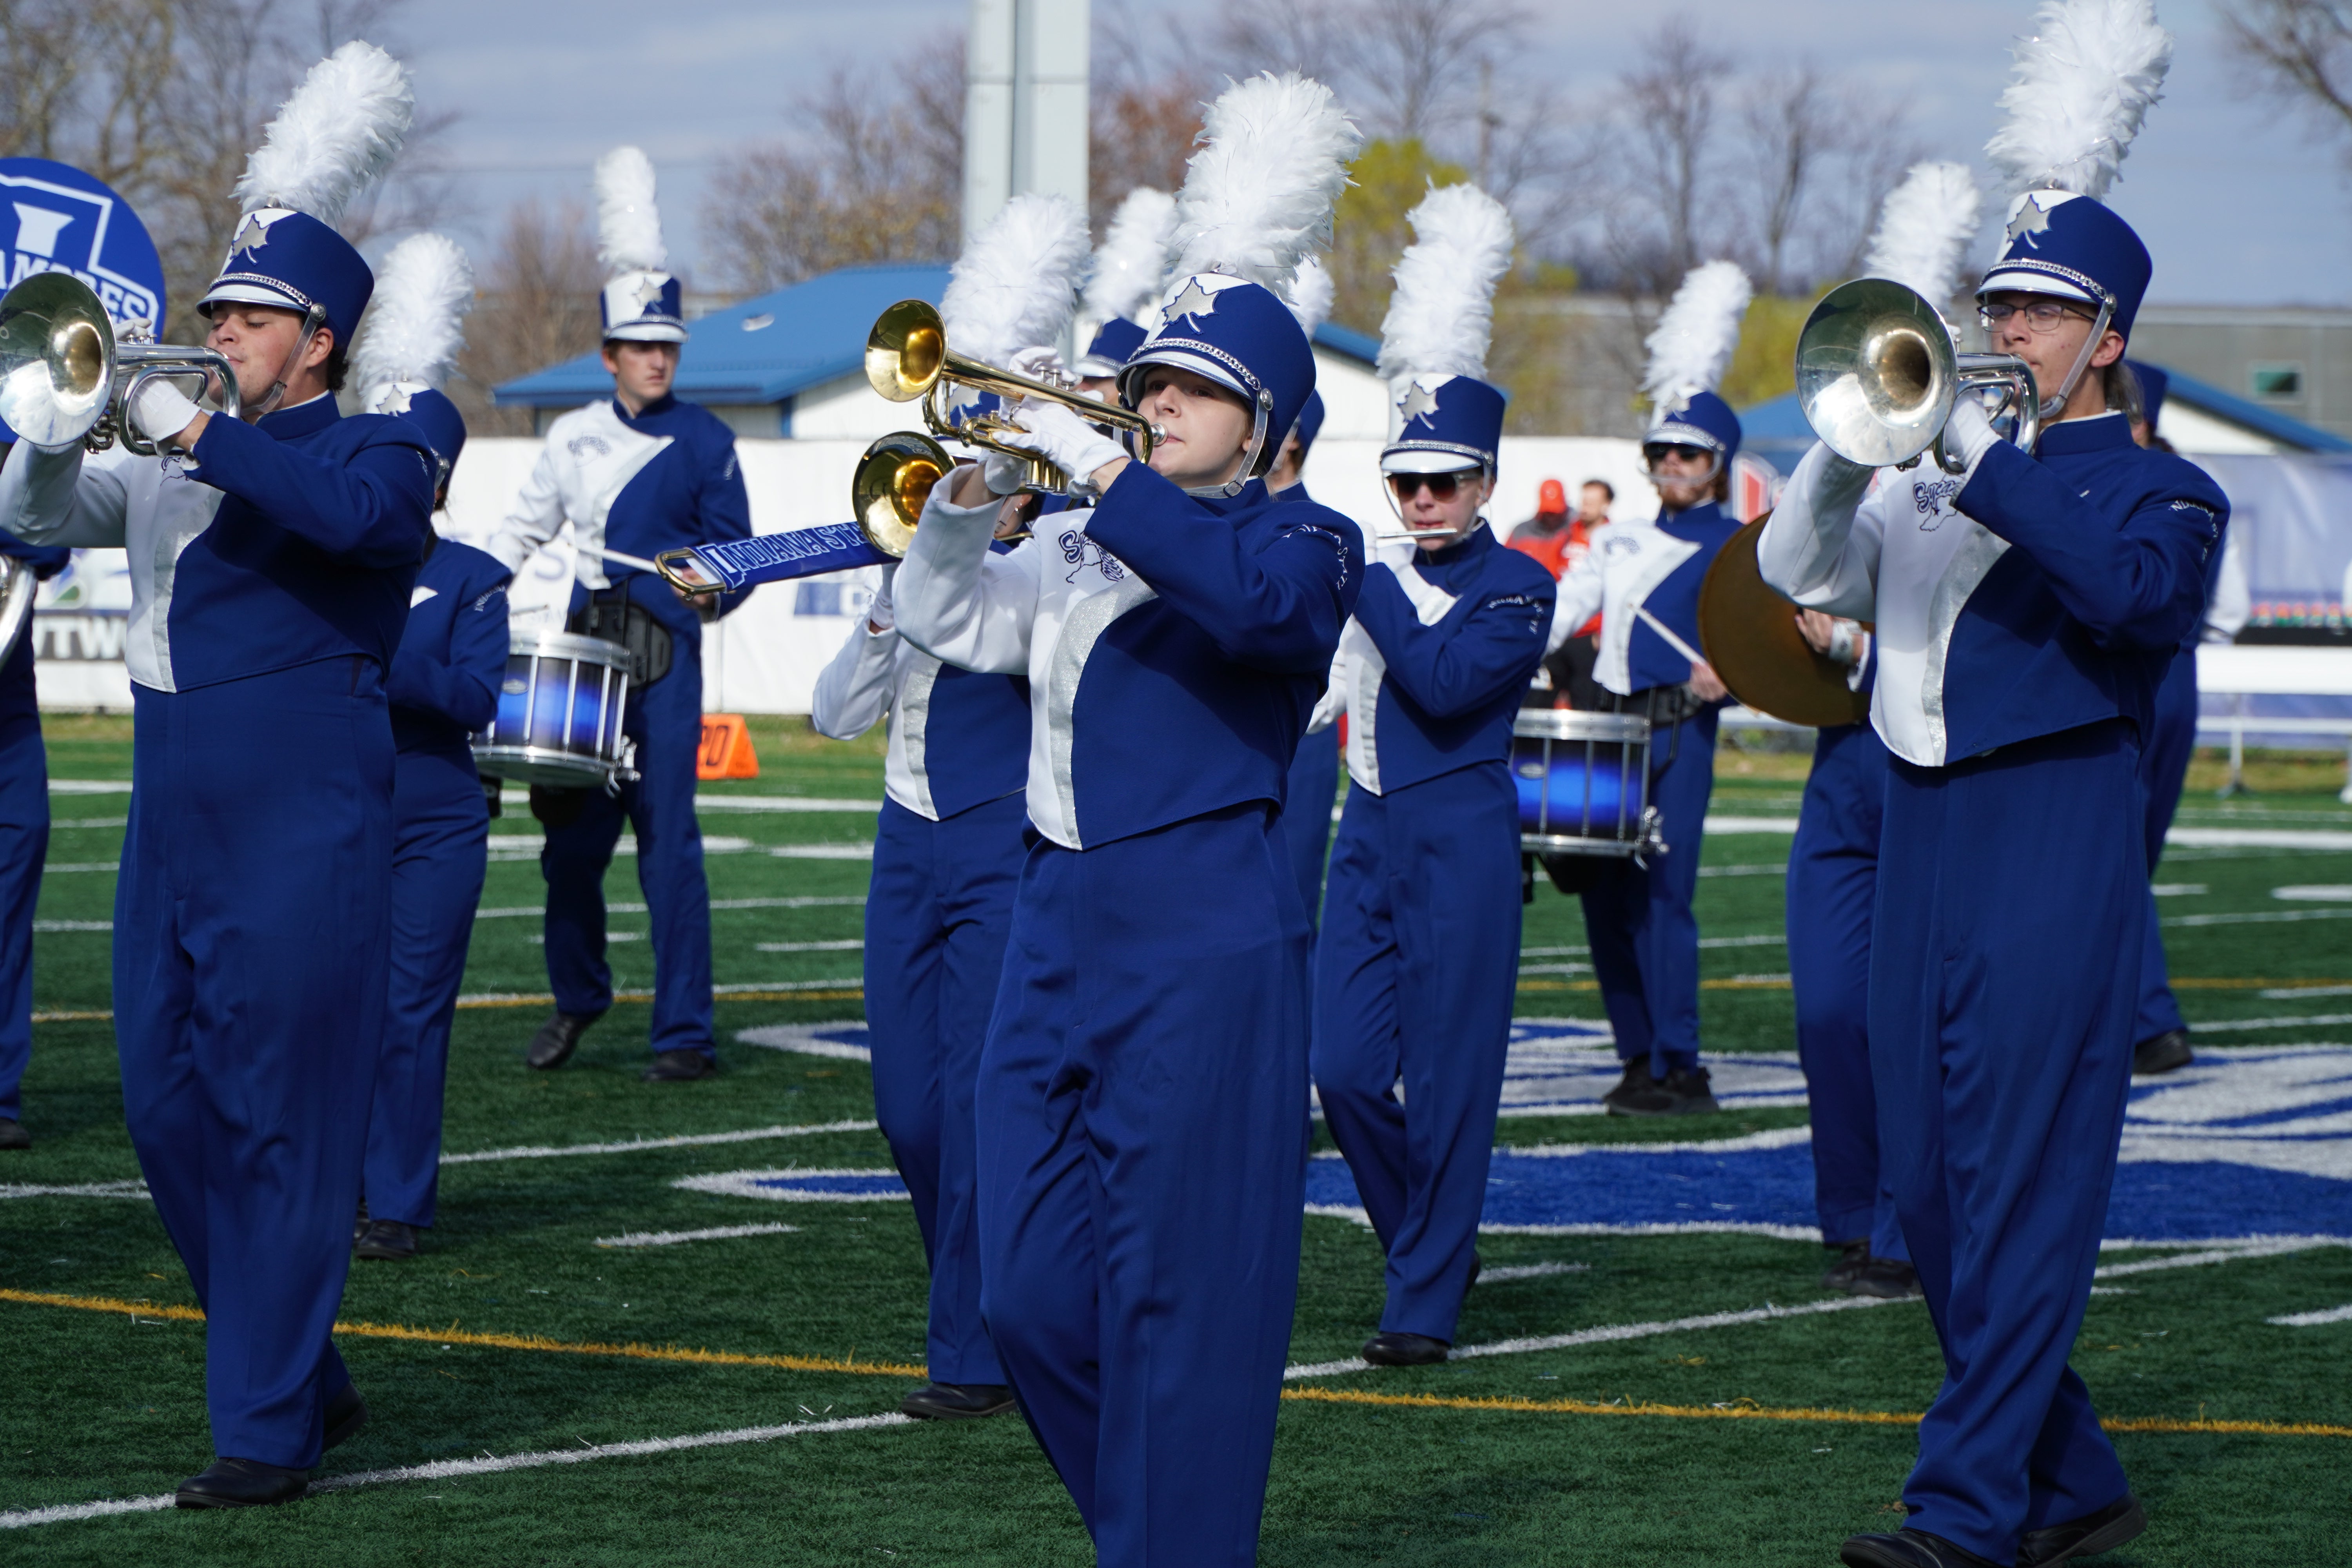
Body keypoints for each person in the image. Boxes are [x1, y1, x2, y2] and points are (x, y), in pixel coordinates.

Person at [1762, 13, 2226, 1558]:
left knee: (2020, 1177)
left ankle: (1966, 1512)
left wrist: (1984, 456)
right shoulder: (1928, 463)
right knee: (1933, 1189)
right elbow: (1798, 573)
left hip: (2052, 828)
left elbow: (2135, 604)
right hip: (1919, 823)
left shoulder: (2167, 483)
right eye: (1999, 301)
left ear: (2109, 333)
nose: (2007, 326)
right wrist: (1846, 445)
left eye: (2041, 310)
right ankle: (2072, 1474)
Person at [890, 70, 1362, 1567]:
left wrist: (1103, 467)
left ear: (1266, 424)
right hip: (1056, 914)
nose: (1153, 404)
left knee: (1187, 1296)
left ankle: (1173, 1541)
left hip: (1202, 926)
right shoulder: (1094, 539)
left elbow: (1252, 610)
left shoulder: (1306, 538)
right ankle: (1152, 1531)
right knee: (1027, 1290)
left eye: (1191, 390)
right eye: (1146, 383)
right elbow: (946, 617)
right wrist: (968, 502)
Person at [0, 43, 432, 1506]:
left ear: (318, 340)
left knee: (281, 1113)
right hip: (173, 807)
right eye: (219, 312)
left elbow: (348, 519)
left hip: (303, 816)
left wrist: (197, 425)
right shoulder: (173, 455)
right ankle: (297, 1359)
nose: (220, 330)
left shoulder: (383, 444)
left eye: (249, 316)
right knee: (162, 1103)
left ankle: (266, 1427)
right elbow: (35, 511)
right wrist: (57, 427)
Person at [801, 192, 1093, 1425]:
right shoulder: (930, 555)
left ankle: (972, 1350)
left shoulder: (1056, 566)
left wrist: (990, 532)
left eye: (998, 449)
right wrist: (897, 588)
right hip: (903, 836)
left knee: (979, 1097)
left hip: (996, 838)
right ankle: (986, 1299)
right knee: (907, 1107)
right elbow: (829, 716)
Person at [1309, 183, 1548, 1368]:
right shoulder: (1382, 575)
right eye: (1406, 482)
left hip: (1460, 838)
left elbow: (1447, 684)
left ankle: (1425, 1297)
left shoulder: (1520, 586)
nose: (1420, 502)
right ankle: (1426, 1243)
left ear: (1485, 483)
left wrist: (1369, 583)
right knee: (1343, 1069)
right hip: (1368, 830)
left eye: (1444, 483)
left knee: (1452, 1086)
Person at [490, 147, 753, 1083]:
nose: (655, 359)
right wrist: (463, 588)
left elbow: (739, 562)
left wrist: (710, 585)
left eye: (667, 346)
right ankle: (579, 994)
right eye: (639, 346)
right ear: (608, 355)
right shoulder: (573, 435)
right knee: (569, 850)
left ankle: (685, 1033)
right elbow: (520, 531)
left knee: (670, 851)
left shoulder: (709, 441)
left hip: (669, 665)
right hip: (582, 658)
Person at [1546, 261, 1753, 1117]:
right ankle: (1636, 1053)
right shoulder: (1619, 538)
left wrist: (1730, 678)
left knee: (1666, 895)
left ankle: (1683, 1061)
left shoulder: (1744, 545)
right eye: (1662, 451)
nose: (1672, 463)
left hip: (1681, 732)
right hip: (1606, 727)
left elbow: (1766, 648)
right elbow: (1565, 610)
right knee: (1602, 894)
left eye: (1689, 453)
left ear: (1717, 463)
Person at [352, 234, 510, 1263]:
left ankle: (398, 1202)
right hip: (337, 803)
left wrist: (389, 652)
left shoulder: (474, 576)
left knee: (410, 1010)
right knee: (329, 1010)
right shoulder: (329, 553)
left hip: (436, 818)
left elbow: (476, 697)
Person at [1785, 611, 1913, 1298]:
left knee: (1911, 1018)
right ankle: (1856, 1215)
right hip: (1841, 766)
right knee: (1828, 1012)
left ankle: (1908, 1228)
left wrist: (1863, 649)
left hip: (1934, 763)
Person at [0, 528, 69, 1151]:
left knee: (7, 923)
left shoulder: (16, 485)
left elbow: (51, 550)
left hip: (11, 739)